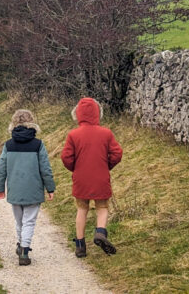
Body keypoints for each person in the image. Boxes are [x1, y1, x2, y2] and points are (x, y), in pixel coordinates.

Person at [61, 97, 122, 258]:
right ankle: (100, 232)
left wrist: (75, 168)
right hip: (101, 177)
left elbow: (66, 157)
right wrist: (106, 165)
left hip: (80, 178)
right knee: (102, 208)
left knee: (82, 209)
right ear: (97, 113)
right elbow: (117, 153)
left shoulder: (73, 135)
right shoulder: (106, 133)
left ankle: (80, 245)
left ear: (78, 114)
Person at [0, 109, 56, 266]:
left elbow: (1, 169)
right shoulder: (38, 144)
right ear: (32, 123)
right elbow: (45, 169)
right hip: (33, 190)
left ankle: (21, 244)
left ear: (13, 124)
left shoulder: (8, 145)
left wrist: (0, 188)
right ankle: (24, 249)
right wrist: (50, 188)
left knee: (19, 221)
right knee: (29, 221)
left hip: (15, 190)